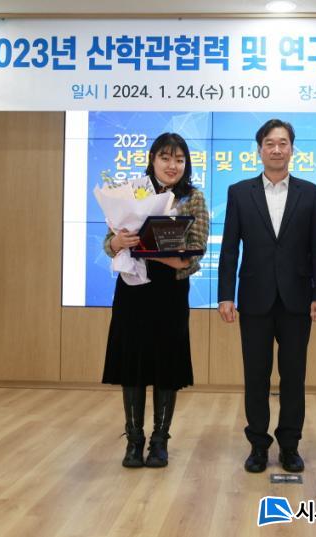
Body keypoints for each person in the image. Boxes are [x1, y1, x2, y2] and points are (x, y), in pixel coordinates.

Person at [217, 119, 316, 474]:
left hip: (298, 298)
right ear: (260, 150)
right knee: (256, 375)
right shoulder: (239, 192)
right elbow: (229, 248)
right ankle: (257, 446)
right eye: (270, 143)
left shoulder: (310, 193)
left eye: (283, 143)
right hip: (255, 297)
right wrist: (225, 295)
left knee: (294, 376)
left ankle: (290, 446)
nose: (277, 149)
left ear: (292, 149)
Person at [102, 132, 209, 468]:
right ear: (152, 159)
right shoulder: (133, 191)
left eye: (179, 159)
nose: (172, 165)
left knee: (166, 365)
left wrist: (153, 250)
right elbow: (109, 244)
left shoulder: (193, 197)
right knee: (133, 363)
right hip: (133, 290)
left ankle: (160, 441)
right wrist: (120, 242)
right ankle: (134, 441)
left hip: (170, 292)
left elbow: (195, 254)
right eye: (165, 158)